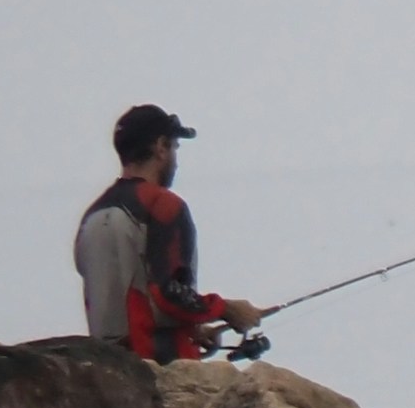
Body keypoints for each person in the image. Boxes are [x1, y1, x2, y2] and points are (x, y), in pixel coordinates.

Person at [73, 105, 269, 362]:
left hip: (106, 367)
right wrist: (228, 310)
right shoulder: (163, 205)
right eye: (175, 147)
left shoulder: (92, 216)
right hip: (158, 367)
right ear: (161, 147)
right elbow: (168, 294)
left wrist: (194, 330)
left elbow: (127, 300)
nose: (176, 160)